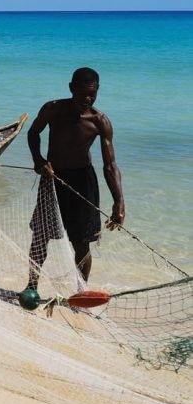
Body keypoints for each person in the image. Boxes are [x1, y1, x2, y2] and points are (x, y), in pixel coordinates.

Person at [25, 67, 125, 291]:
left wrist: (119, 202)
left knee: (81, 243)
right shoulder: (53, 109)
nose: (87, 99)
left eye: (92, 94)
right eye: (82, 94)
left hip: (83, 181)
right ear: (71, 89)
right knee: (41, 237)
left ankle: (80, 292)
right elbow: (33, 133)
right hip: (52, 179)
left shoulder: (100, 122)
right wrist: (38, 160)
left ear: (97, 91)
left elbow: (110, 165)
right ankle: (31, 286)